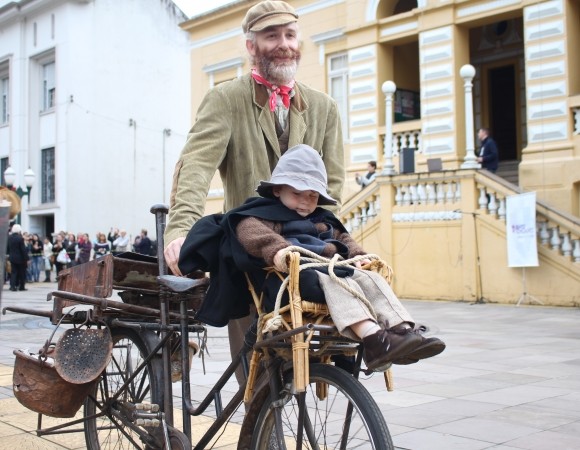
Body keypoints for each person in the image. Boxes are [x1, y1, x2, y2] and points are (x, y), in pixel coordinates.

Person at [164, 0, 344, 380]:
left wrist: (332, 236)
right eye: (271, 35)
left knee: (312, 361)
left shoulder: (324, 107)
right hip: (247, 252)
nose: (284, 44)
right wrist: (181, 230)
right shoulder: (226, 99)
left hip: (304, 253)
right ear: (251, 46)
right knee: (257, 377)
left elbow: (334, 184)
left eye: (290, 35)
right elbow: (195, 168)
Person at [180, 145, 445, 371]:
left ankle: (402, 331)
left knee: (368, 278)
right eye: (297, 193)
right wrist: (279, 250)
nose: (305, 202)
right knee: (337, 280)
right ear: (277, 190)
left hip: (330, 268)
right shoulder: (261, 214)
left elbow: (344, 239)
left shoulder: (321, 219)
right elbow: (250, 232)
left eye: (312, 195)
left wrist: (358, 256)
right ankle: (373, 338)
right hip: (291, 280)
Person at [7, 224, 29, 291]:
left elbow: (8, 248)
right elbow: (23, 249)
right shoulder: (20, 238)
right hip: (20, 258)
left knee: (13, 272)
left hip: (12, 257)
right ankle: (21, 286)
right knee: (22, 273)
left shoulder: (9, 238)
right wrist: (27, 258)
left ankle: (12, 286)